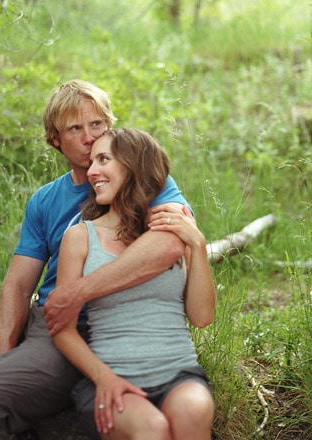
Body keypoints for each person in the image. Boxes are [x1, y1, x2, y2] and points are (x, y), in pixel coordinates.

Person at [0, 80, 190, 440]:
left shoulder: (145, 180)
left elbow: (170, 245)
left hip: (83, 328)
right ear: (55, 139)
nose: (88, 137)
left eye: (97, 124)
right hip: (43, 314)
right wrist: (2, 351)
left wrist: (77, 293)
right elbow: (19, 284)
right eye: (75, 129)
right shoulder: (45, 200)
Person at [53, 128, 215, 440]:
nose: (92, 171)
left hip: (178, 374)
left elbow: (202, 316)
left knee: (193, 412)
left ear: (134, 166)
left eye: (104, 160)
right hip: (113, 379)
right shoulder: (80, 238)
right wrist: (104, 379)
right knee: (151, 430)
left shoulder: (172, 228)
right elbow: (61, 327)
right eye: (92, 162)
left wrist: (197, 243)